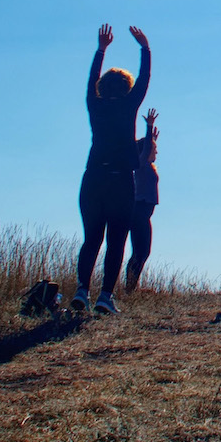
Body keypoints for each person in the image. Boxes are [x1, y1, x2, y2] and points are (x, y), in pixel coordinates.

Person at [74, 24, 150, 315]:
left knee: (92, 237)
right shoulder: (129, 105)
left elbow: (91, 80)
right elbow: (144, 79)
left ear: (102, 88)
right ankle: (105, 296)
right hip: (120, 182)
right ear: (127, 89)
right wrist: (145, 48)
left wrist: (101, 49)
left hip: (93, 178)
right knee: (116, 239)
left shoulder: (95, 104)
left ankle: (82, 290)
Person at [124, 108, 159, 293]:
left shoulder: (146, 165)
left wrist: (152, 139)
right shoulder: (142, 163)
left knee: (142, 251)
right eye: (155, 149)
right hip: (138, 212)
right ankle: (129, 289)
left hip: (142, 214)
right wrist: (149, 126)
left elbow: (147, 148)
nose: (157, 152)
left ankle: (130, 287)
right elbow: (145, 150)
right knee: (140, 252)